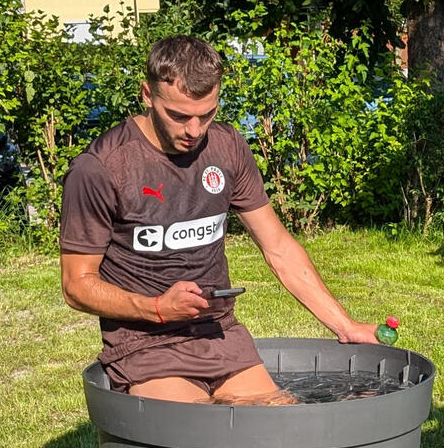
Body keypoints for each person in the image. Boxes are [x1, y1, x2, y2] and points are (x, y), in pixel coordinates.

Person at [59, 36, 378, 405]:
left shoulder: (227, 146)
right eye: (178, 116)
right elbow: (76, 285)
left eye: (206, 114)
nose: (194, 130)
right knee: (198, 430)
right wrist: (158, 308)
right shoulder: (101, 168)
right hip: (145, 342)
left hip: (218, 331)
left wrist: (345, 325)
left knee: (280, 423)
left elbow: (278, 248)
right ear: (147, 95)